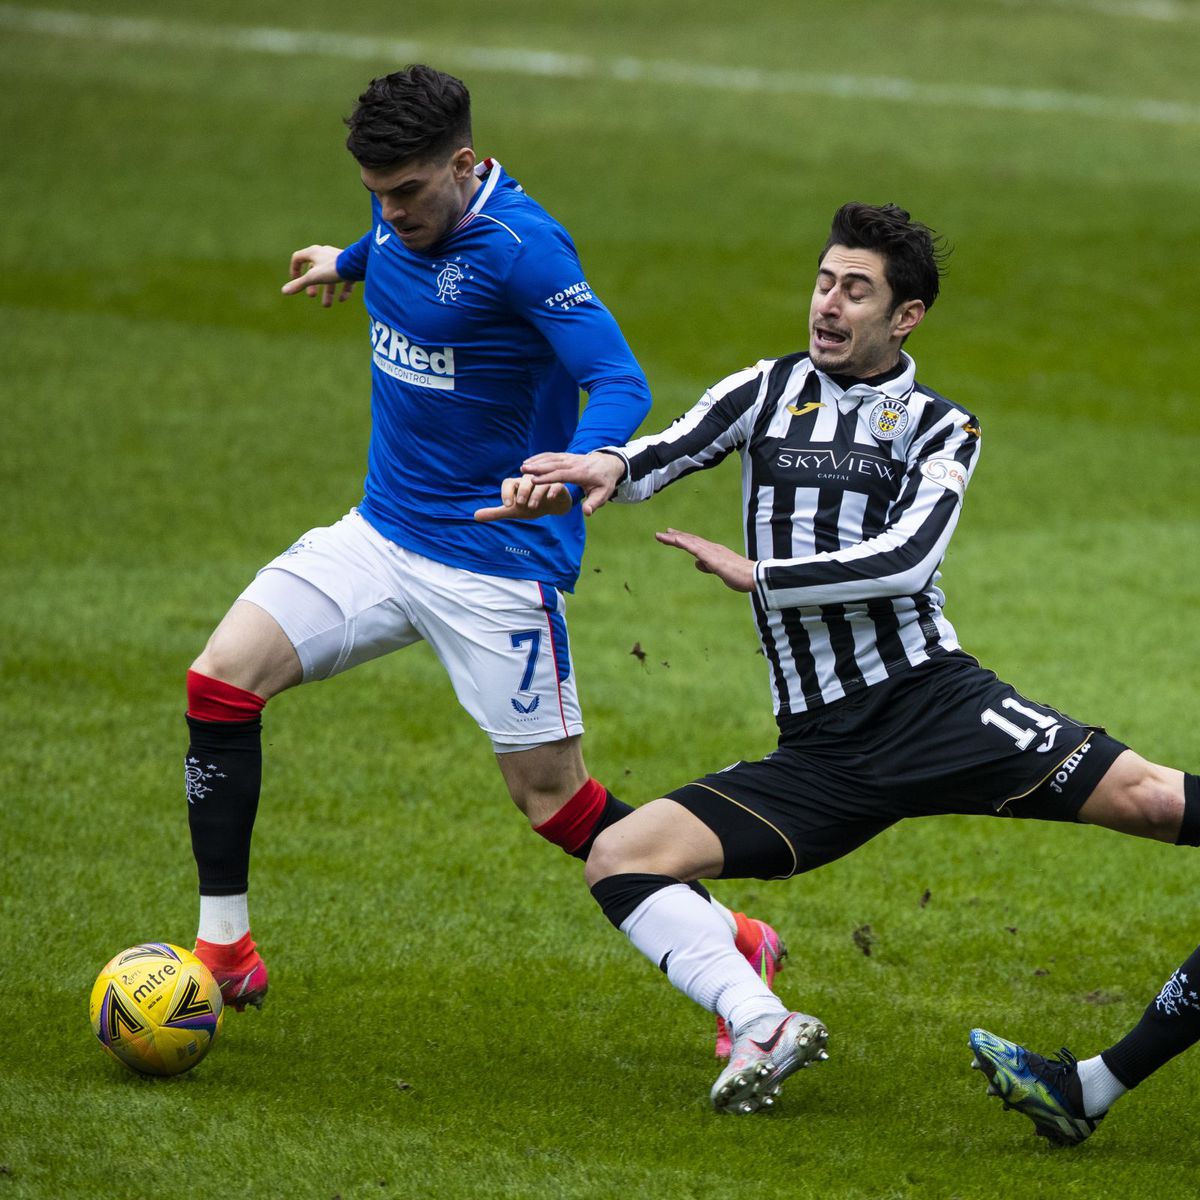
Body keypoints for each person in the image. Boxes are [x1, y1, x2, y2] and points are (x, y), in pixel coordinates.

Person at [482, 201, 1199, 1129]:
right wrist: (602, 468)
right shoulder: (767, 389)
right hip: (823, 753)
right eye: (824, 282)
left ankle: (1092, 1085)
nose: (828, 304)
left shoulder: (941, 427)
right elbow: (674, 445)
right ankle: (762, 1021)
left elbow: (907, 559)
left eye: (855, 290)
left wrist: (764, 574)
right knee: (622, 859)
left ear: (906, 316)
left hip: (937, 705)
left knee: (1150, 800)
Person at [183, 65, 783, 1039]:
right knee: (219, 682)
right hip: (381, 534)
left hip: (493, 564)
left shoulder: (524, 250)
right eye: (374, 197)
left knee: (553, 801)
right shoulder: (399, 212)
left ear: (463, 166)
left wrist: (591, 457)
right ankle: (224, 953)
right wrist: (346, 259)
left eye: (408, 194)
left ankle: (731, 938)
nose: (391, 212)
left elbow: (617, 377)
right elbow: (390, 244)